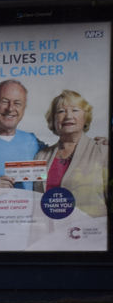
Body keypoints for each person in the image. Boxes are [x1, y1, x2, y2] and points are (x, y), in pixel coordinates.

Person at [33, 89, 109, 218]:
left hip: (91, 232)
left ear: (85, 118)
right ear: (53, 120)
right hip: (51, 233)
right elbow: (36, 202)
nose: (68, 116)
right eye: (61, 111)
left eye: (75, 110)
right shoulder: (41, 156)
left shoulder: (102, 150)